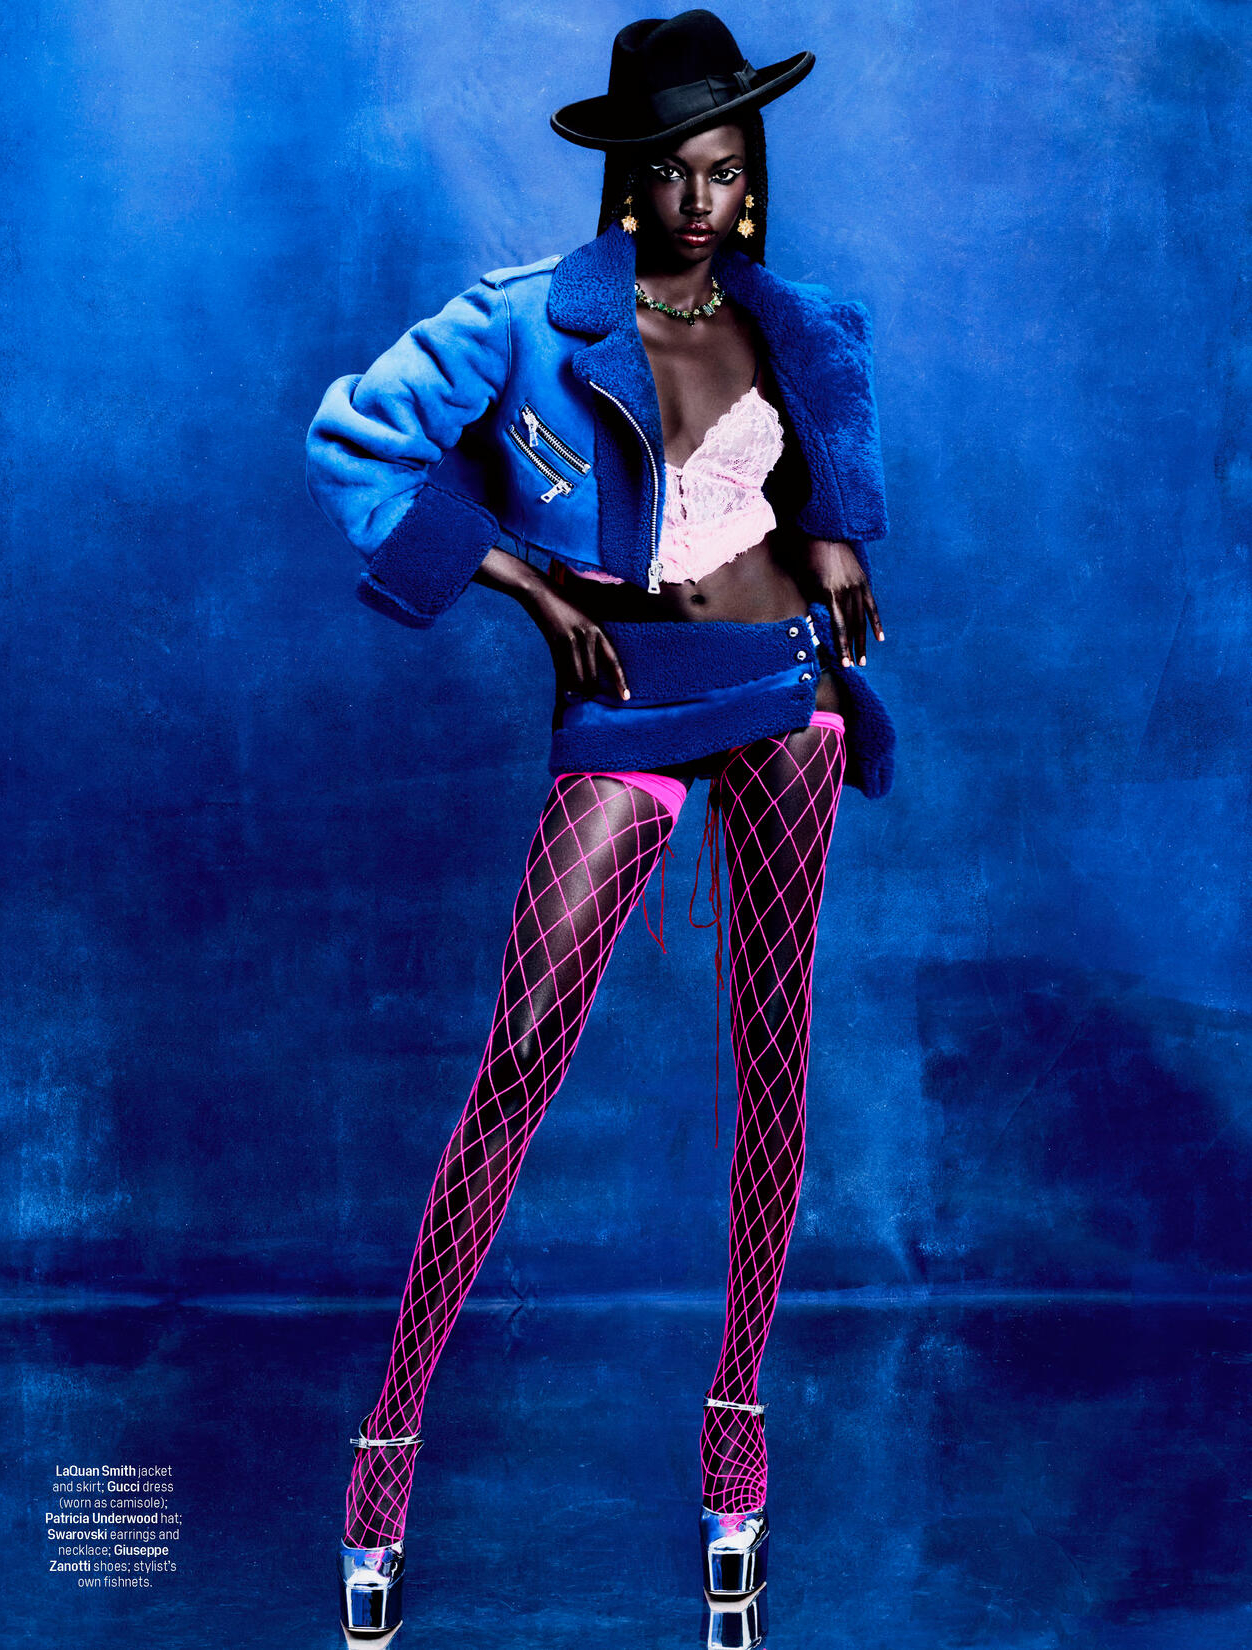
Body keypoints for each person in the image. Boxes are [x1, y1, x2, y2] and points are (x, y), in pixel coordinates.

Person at [306, 10, 895, 1639]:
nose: (701, 199)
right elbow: (356, 435)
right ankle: (383, 1454)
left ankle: (734, 1443)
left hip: (780, 685)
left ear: (749, 179)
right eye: (672, 171)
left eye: (725, 169)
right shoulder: (526, 319)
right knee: (519, 1061)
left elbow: (825, 477)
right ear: (627, 180)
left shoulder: (798, 328)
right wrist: (521, 585)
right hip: (626, 702)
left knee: (770, 1050)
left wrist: (839, 541)